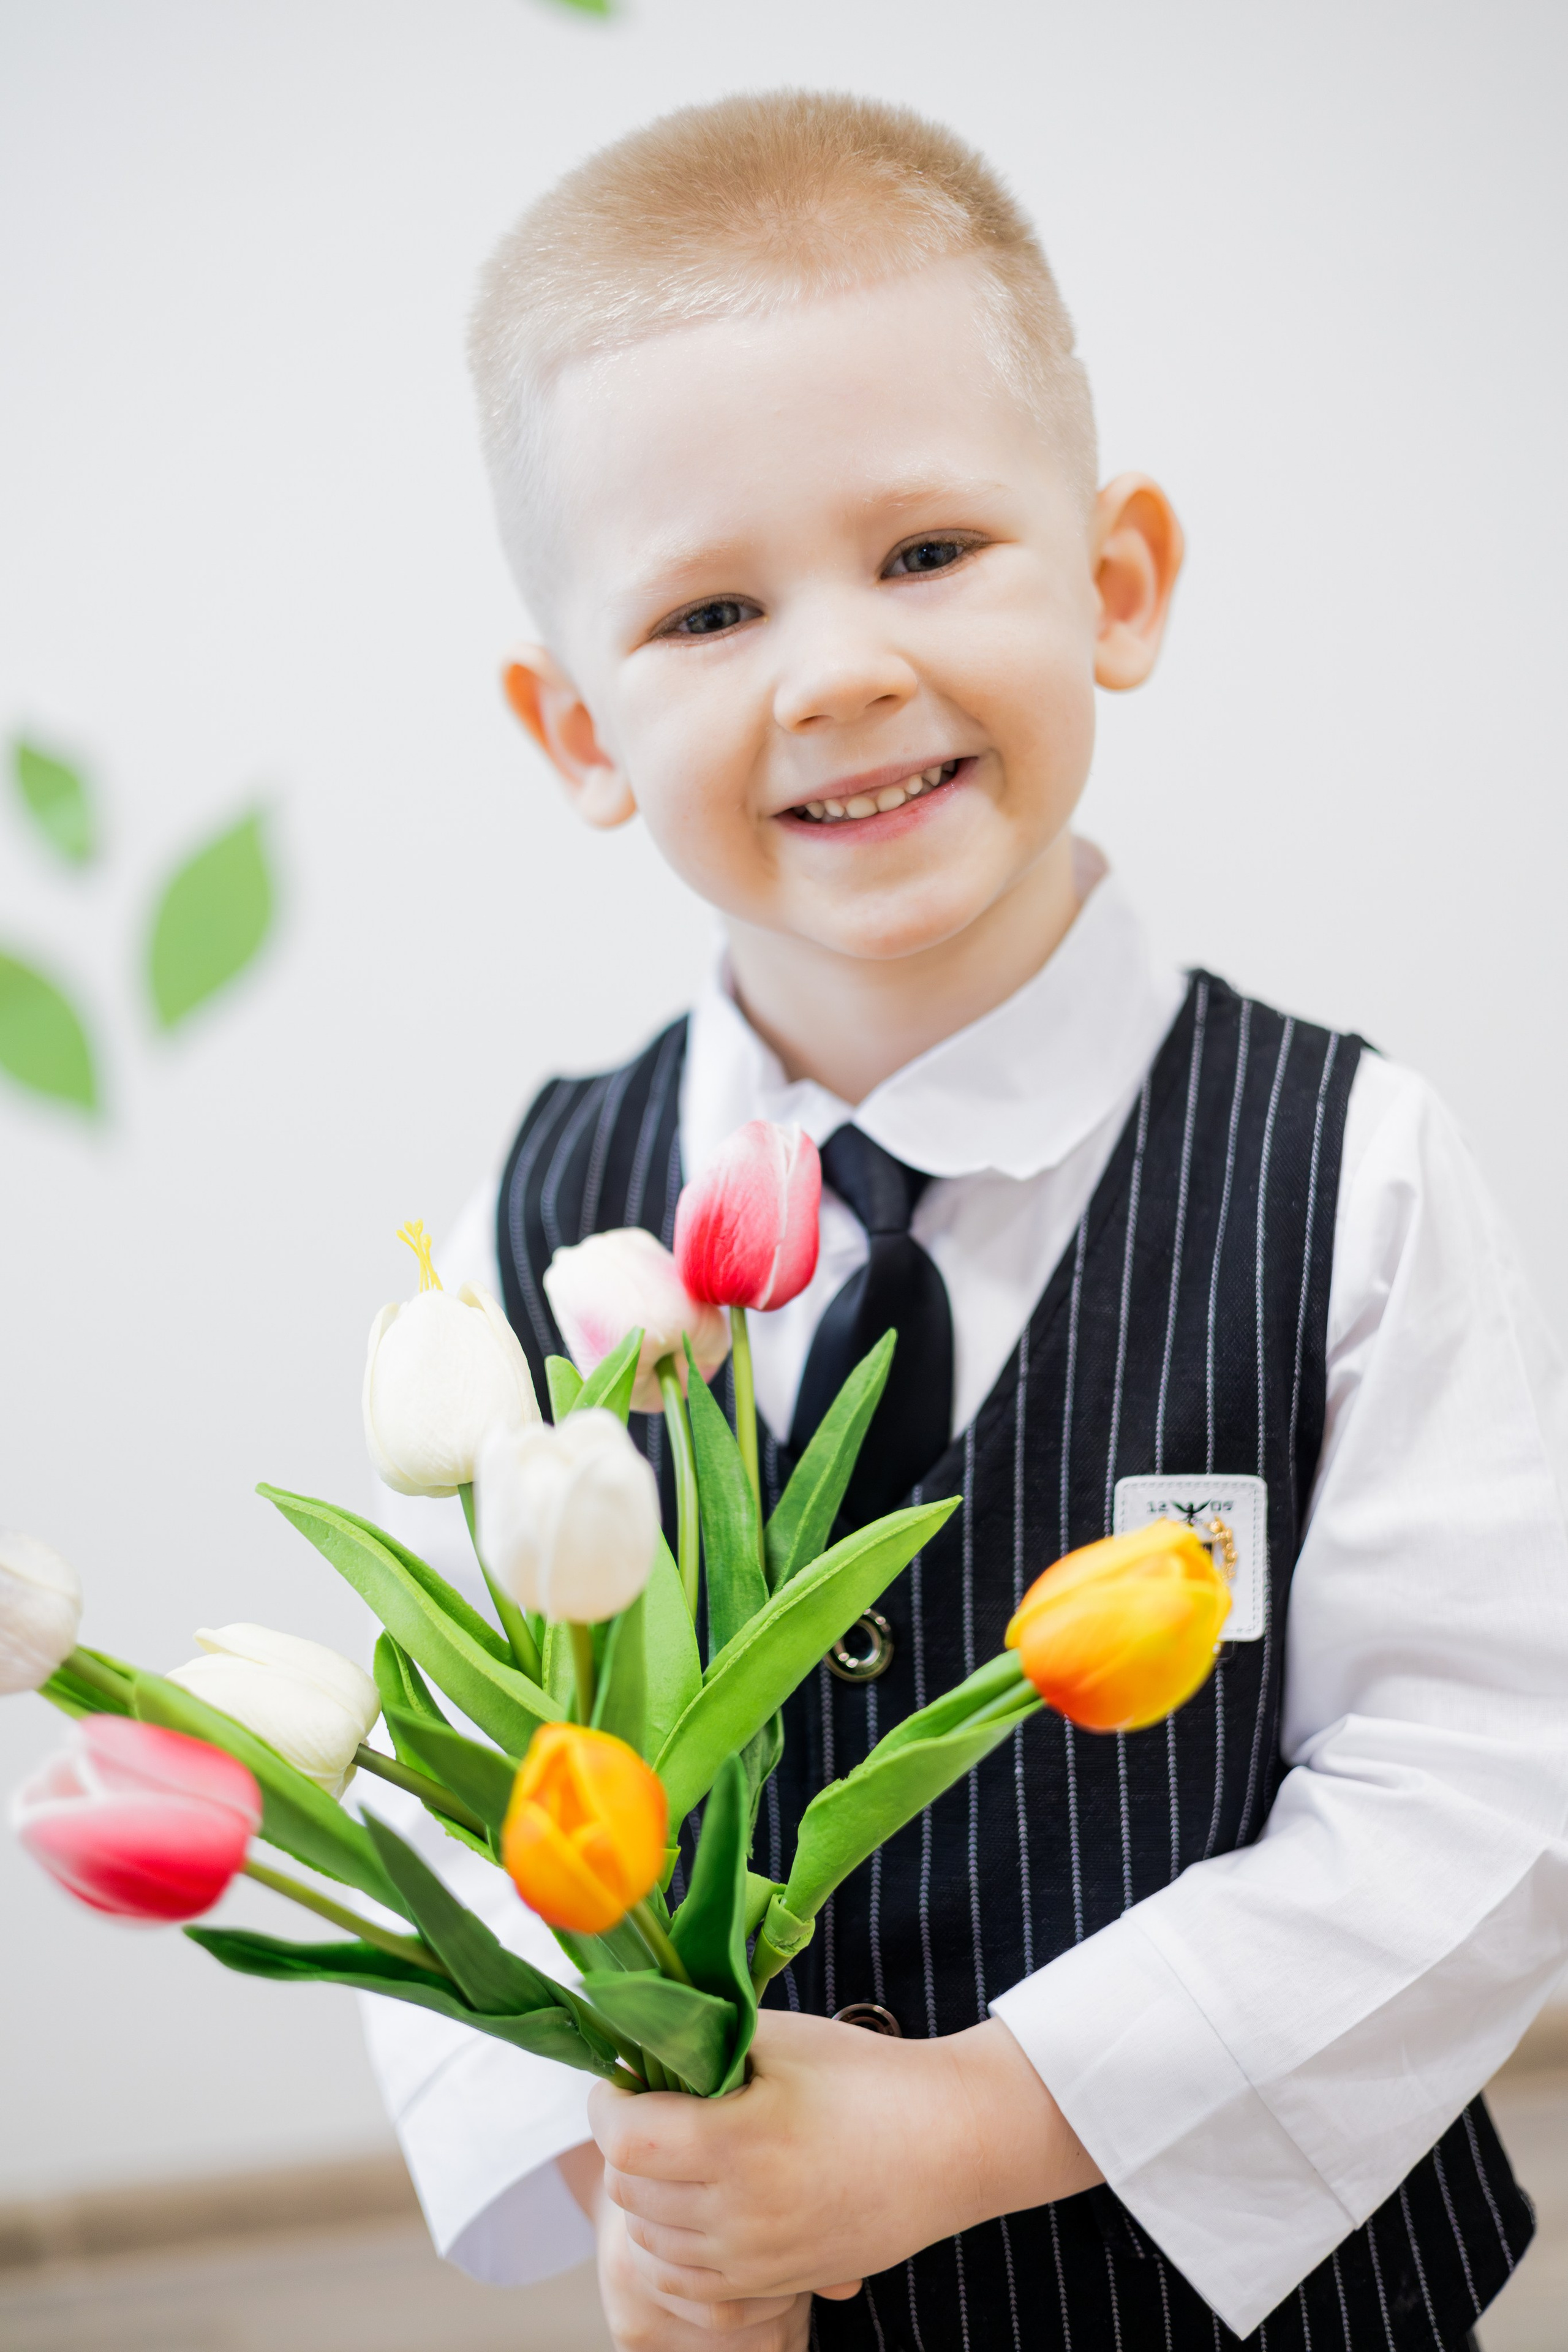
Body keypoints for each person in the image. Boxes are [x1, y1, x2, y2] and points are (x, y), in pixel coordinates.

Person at [361, 90, 1568, 2352]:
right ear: (577, 728)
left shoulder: (1349, 1170)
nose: (836, 669)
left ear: (1114, 586)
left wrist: (988, 2120)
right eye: (712, 607)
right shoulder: (537, 1224)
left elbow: (1478, 1793)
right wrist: (617, 2155)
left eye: (925, 553)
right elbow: (458, 1774)